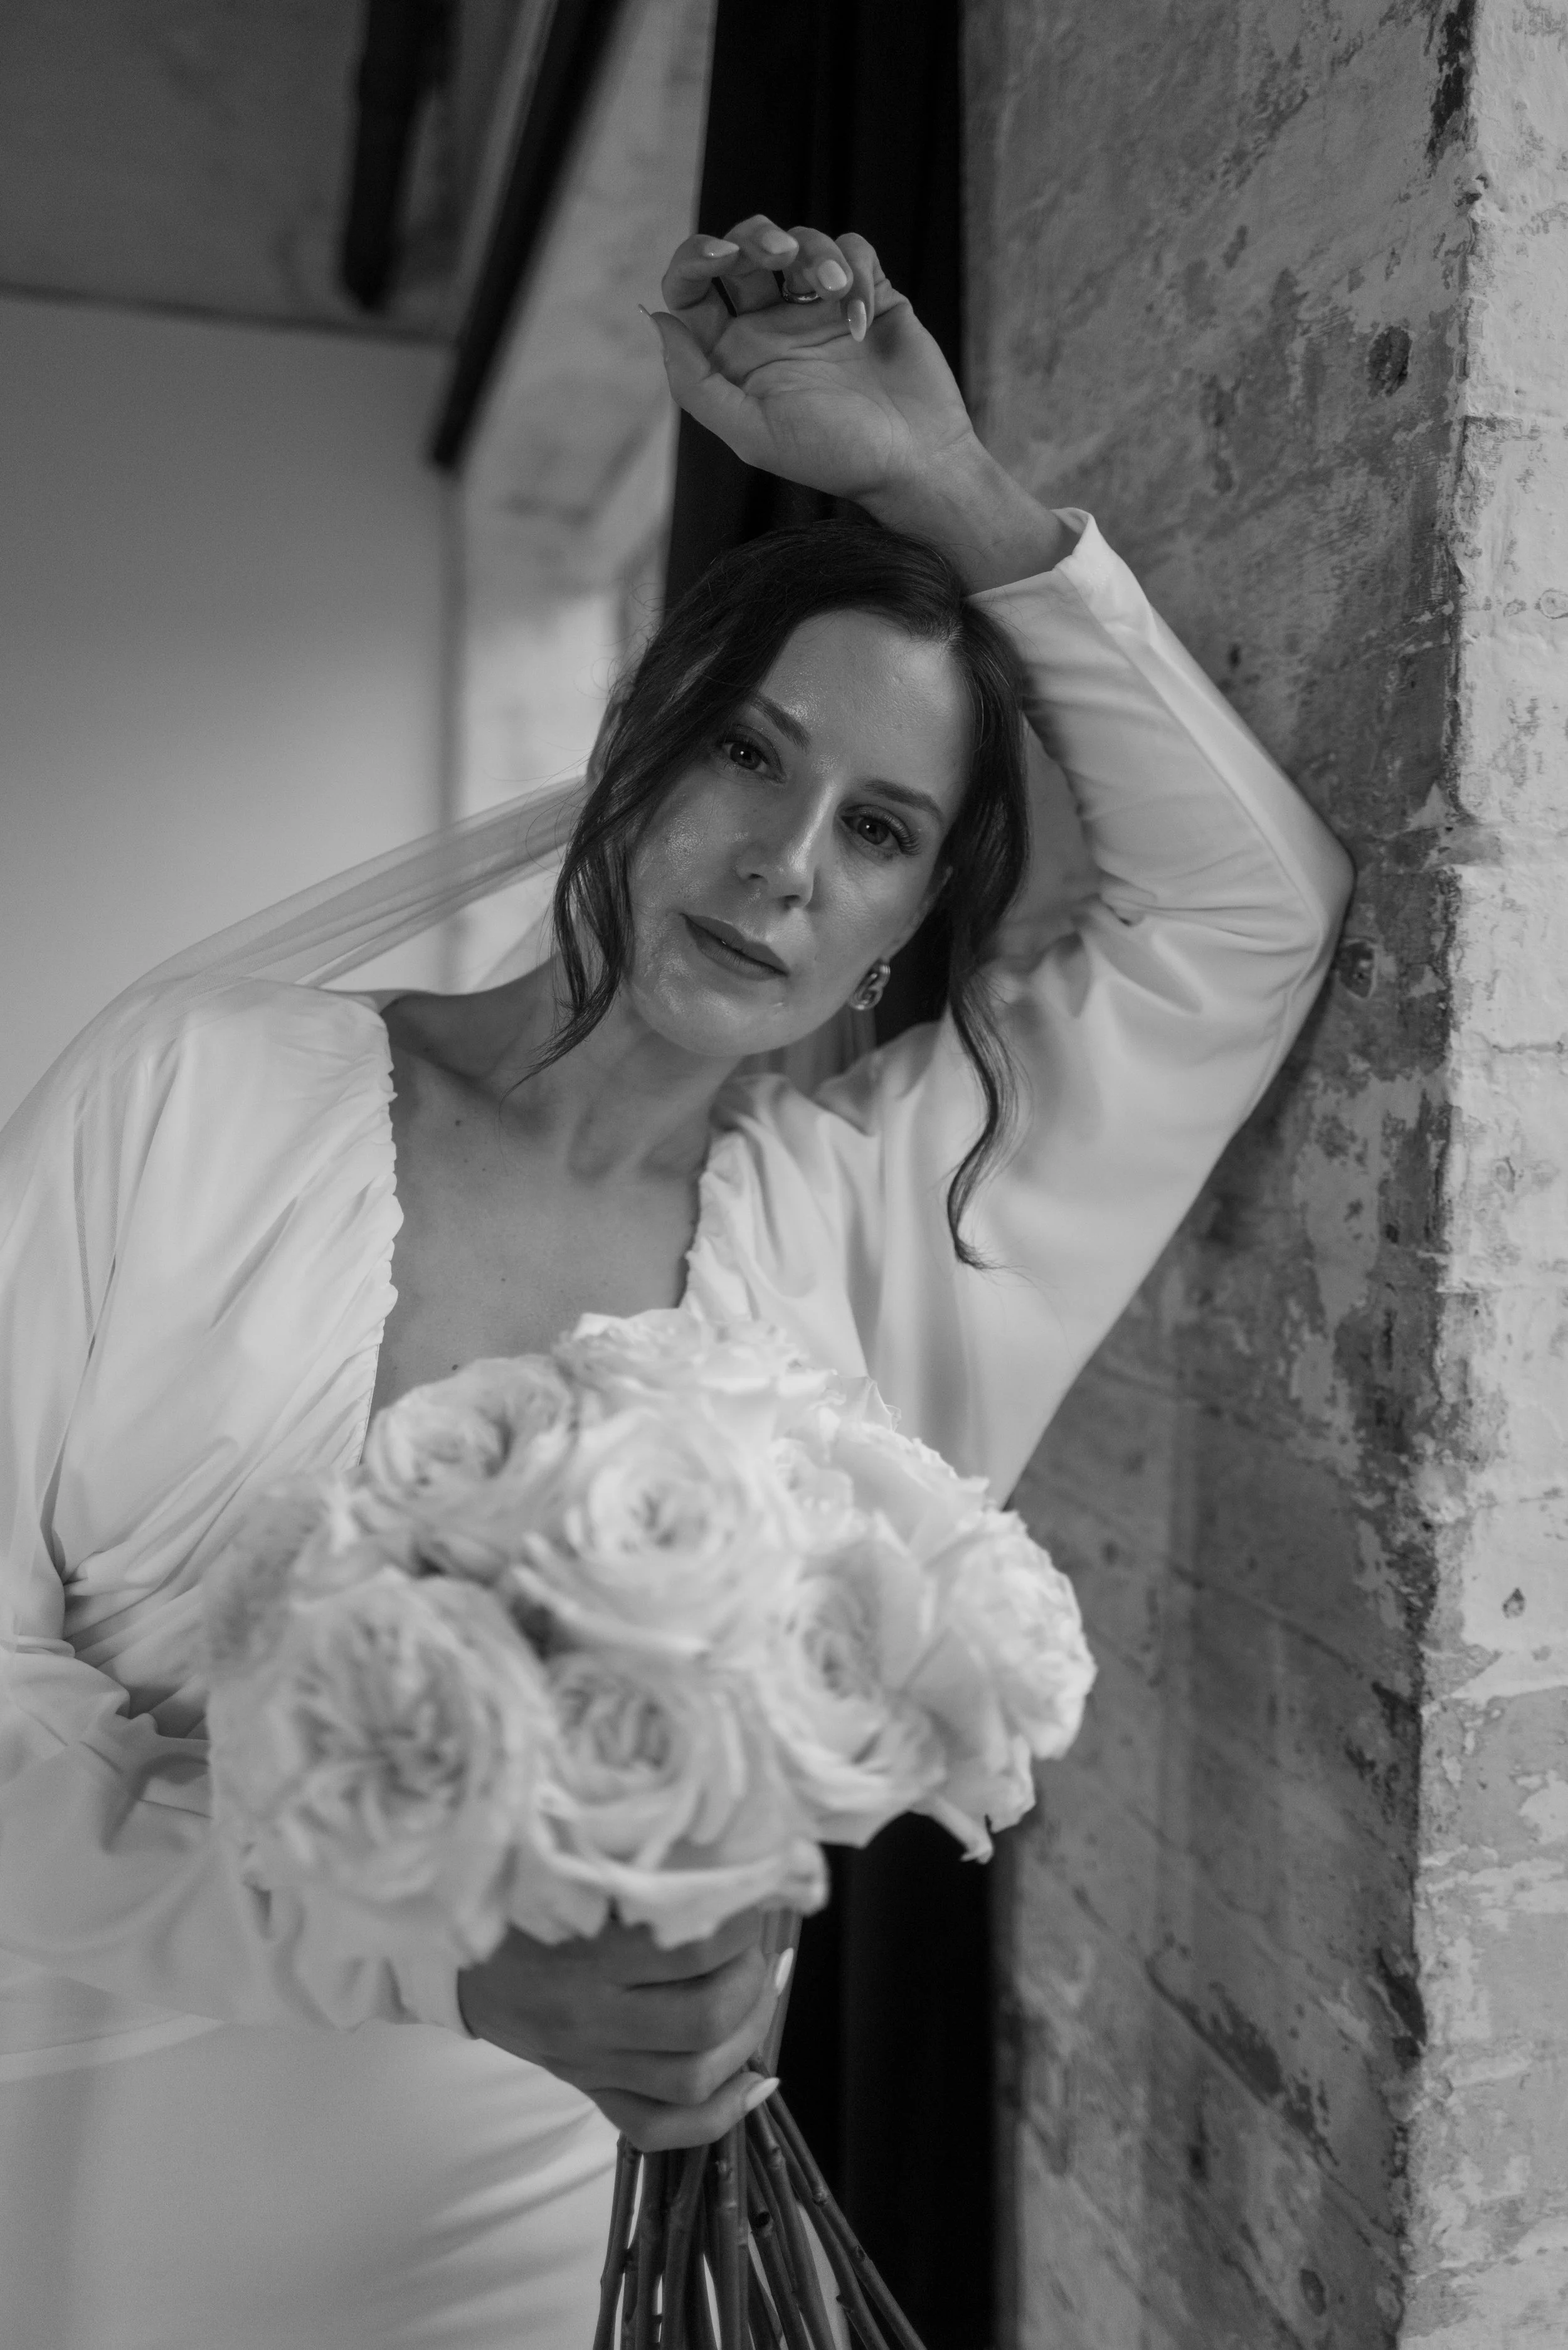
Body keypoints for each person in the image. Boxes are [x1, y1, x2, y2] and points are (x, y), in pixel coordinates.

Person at [0, 215, 1352, 2349]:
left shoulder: (877, 1234)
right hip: (112, 2141)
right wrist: (414, 1948)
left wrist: (942, 486)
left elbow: (1246, 919)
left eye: (883, 828)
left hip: (550, 2222)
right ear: (641, 737)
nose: (786, 861)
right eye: (749, 754)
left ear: (909, 917)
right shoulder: (195, 1093)